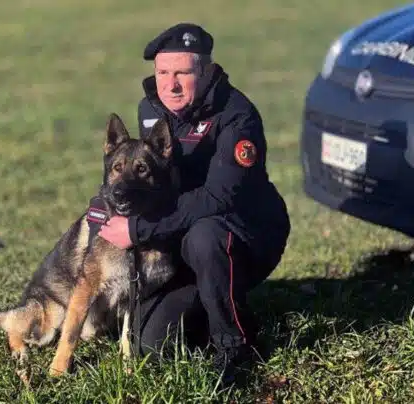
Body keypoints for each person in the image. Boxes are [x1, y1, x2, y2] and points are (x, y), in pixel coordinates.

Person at [97, 23, 291, 384]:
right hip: (178, 237)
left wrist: (137, 230)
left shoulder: (237, 117)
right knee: (150, 346)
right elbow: (141, 177)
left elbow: (219, 198)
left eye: (183, 73)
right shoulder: (150, 109)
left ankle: (236, 345)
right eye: (163, 72)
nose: (170, 84)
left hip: (243, 234)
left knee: (206, 236)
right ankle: (213, 308)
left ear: (207, 71)